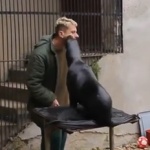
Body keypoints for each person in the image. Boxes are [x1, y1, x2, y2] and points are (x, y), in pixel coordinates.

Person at [26, 17, 79, 150]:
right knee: (53, 141)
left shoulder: (69, 49)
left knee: (61, 139)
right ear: (61, 34)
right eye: (72, 32)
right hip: (48, 108)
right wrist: (50, 98)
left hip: (64, 106)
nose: (76, 36)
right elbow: (33, 83)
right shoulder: (40, 54)